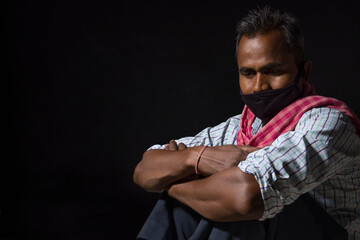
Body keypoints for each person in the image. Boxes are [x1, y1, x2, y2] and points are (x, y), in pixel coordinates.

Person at [133, 6, 360, 240]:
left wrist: (174, 185)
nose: (259, 86)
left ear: (304, 72)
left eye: (273, 71)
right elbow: (144, 170)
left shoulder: (329, 123)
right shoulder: (239, 128)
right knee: (207, 196)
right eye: (249, 73)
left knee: (240, 204)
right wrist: (197, 158)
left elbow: (246, 198)